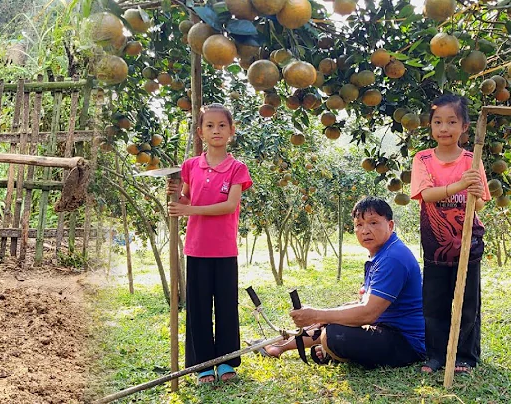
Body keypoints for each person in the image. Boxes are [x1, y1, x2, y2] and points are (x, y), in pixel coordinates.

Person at [253, 197, 425, 369]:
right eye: (359, 225)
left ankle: (329, 351)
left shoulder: (392, 258)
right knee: (335, 316)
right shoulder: (383, 253)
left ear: (390, 225)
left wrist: (317, 315)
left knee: (334, 334)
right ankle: (279, 347)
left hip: (406, 341)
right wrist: (322, 316)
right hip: (385, 327)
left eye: (373, 223)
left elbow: (368, 314)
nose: (365, 230)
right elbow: (364, 304)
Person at [167, 103, 252, 384]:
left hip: (225, 249)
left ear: (231, 131)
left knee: (226, 307)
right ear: (200, 132)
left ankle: (226, 363)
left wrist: (189, 210)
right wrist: (177, 197)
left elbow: (229, 206)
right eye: (210, 126)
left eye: (222, 126)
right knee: (199, 308)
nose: (216, 130)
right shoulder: (190, 166)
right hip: (197, 248)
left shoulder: (237, 168)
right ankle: (203, 366)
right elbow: (187, 200)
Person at [410, 94, 490, 374]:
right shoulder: (422, 159)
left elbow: (479, 203)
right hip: (435, 243)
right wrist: (459, 185)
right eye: (438, 122)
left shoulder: (472, 159)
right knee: (434, 303)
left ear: (465, 126)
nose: (444, 128)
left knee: (468, 302)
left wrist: (475, 191)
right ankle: (435, 356)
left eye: (451, 121)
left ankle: (465, 356)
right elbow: (426, 194)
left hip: (469, 243)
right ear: (430, 126)